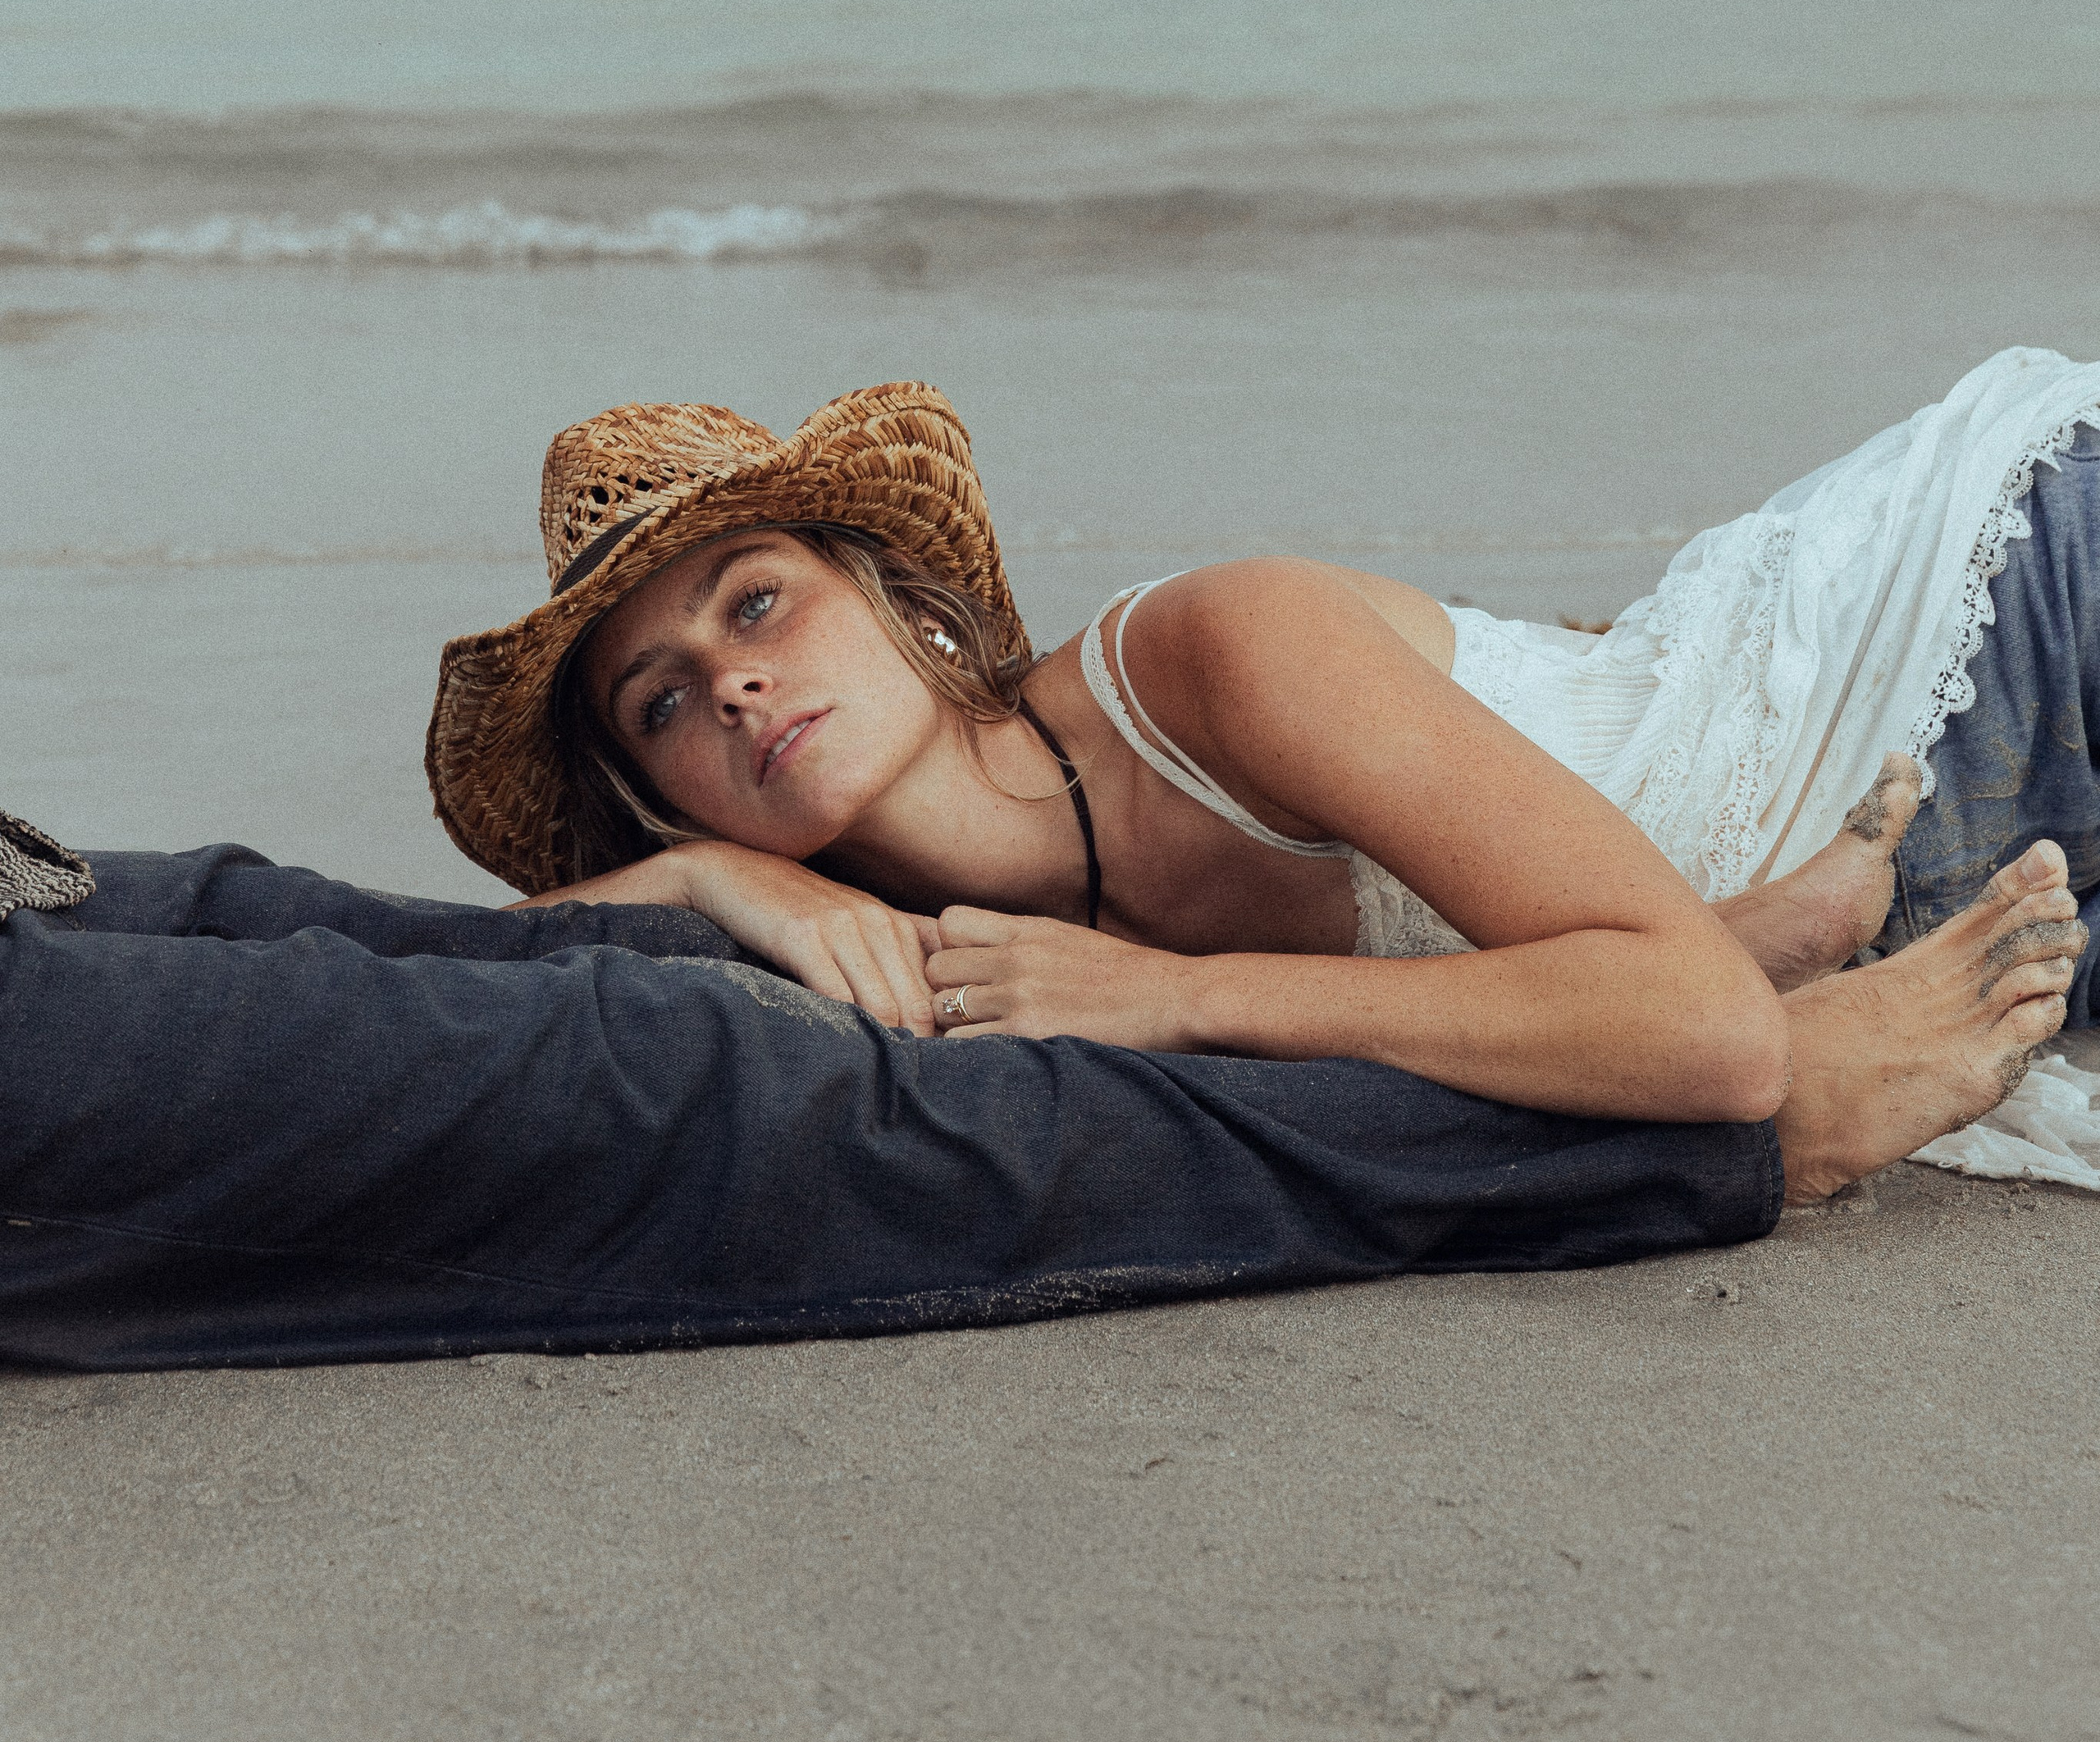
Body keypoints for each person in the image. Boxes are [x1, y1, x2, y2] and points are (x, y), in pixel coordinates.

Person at [425, 350, 2100, 1206]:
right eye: (658, 704)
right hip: (1942, 878)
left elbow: (1713, 1046)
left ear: (895, 601)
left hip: (1978, 631)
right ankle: (1745, 924)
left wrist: (1181, 999)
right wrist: (714, 883)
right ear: (670, 796)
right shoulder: (924, 968)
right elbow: (467, 992)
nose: (727, 678)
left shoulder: (1207, 659)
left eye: (758, 600)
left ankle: (1746, 927)